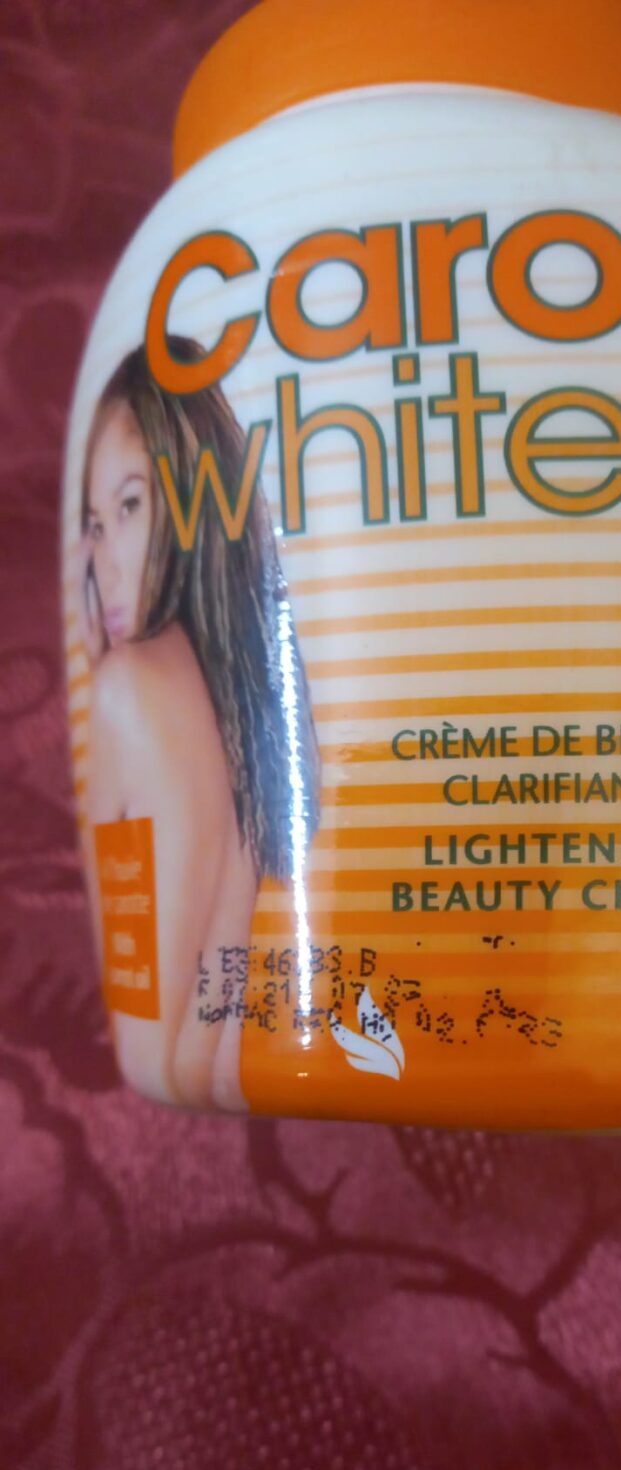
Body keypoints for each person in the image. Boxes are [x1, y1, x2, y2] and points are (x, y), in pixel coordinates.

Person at [79, 339, 320, 1110]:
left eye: (130, 505)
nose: (104, 560)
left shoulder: (128, 691)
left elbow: (152, 1041)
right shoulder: (246, 708)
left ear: (194, 496)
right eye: (94, 523)